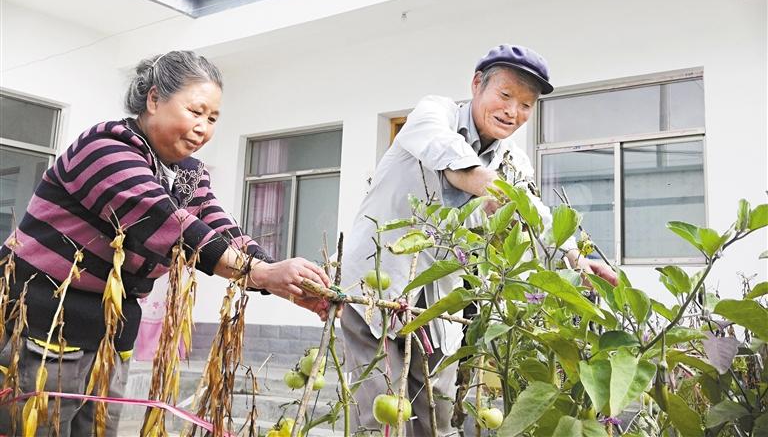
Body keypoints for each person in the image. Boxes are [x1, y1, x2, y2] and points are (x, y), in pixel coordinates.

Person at [0, 50, 332, 436]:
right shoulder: (105, 148)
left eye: (212, 119)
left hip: (110, 336)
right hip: (43, 327)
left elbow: (217, 226)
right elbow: (166, 224)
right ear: (154, 99)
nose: (203, 128)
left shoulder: (187, 173)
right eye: (195, 111)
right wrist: (261, 273)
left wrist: (278, 277)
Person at [339, 44, 618, 435]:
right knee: (380, 415)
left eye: (525, 105)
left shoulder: (514, 161)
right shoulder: (433, 113)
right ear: (476, 85)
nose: (513, 112)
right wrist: (502, 193)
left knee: (435, 414)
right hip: (376, 283)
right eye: (505, 96)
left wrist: (574, 257)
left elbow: (534, 211)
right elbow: (455, 164)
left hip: (438, 302)